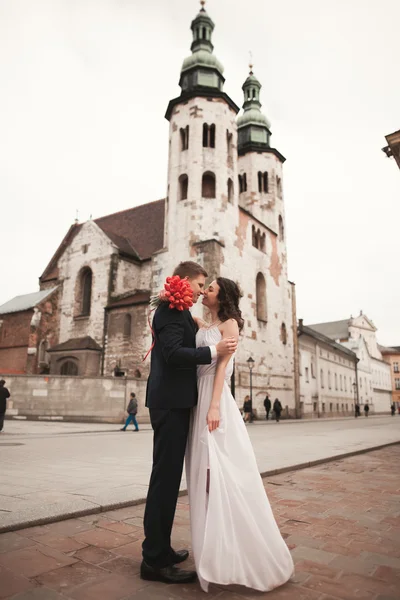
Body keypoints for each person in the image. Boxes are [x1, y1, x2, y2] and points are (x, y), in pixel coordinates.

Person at [186, 277, 294, 593]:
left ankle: (236, 548)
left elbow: (221, 367)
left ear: (224, 297)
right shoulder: (204, 323)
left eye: (210, 289)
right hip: (198, 398)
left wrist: (215, 406)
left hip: (213, 398)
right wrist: (172, 296)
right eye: (204, 288)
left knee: (221, 473)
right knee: (203, 475)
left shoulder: (230, 324)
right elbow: (188, 319)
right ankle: (213, 548)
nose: (204, 292)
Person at [141, 262, 237, 585]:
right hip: (169, 405)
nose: (200, 290)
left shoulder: (181, 311)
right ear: (184, 281)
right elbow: (171, 353)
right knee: (164, 482)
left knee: (169, 482)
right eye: (199, 284)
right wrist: (213, 350)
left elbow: (192, 330)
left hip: (179, 404)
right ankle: (153, 560)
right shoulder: (169, 309)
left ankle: (162, 550)